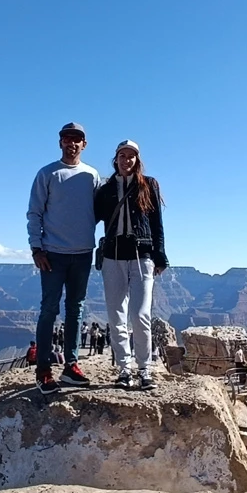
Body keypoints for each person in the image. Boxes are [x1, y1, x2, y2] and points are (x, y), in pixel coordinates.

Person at [27, 122, 101, 394]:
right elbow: (34, 212)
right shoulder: (47, 174)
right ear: (60, 142)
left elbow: (102, 209)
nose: (72, 143)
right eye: (67, 138)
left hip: (83, 254)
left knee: (76, 310)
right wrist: (37, 248)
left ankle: (71, 366)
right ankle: (43, 370)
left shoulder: (92, 175)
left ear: (84, 144)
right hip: (53, 255)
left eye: (77, 139)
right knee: (49, 310)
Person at [95, 140, 168, 391]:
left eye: (131, 156)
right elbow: (90, 218)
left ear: (137, 160)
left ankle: (145, 369)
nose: (126, 160)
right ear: (115, 159)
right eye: (122, 155)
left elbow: (157, 223)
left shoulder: (148, 185)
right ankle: (124, 370)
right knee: (116, 316)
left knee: (140, 315)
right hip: (113, 257)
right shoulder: (105, 190)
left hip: (141, 256)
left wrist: (161, 256)